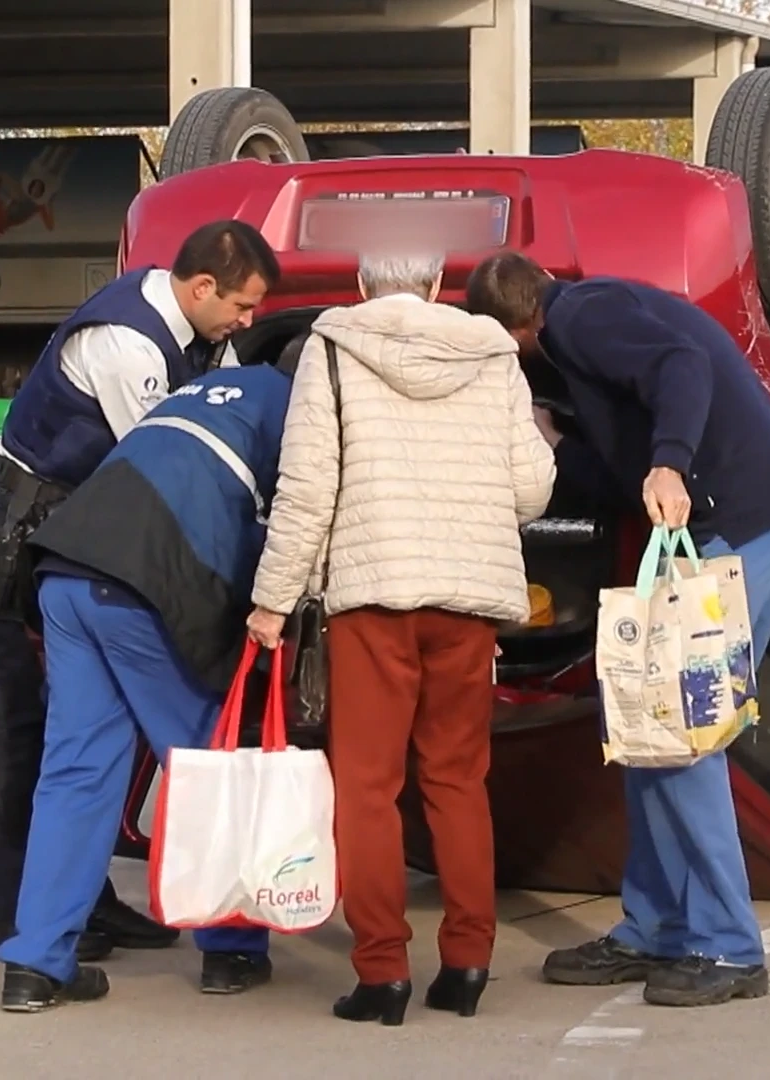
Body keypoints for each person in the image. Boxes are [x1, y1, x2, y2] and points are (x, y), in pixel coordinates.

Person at [464, 249, 770, 1008]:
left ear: (515, 330)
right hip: (737, 524)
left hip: (744, 523)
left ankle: (729, 948)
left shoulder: (584, 317)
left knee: (684, 731)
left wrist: (669, 464)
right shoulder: (583, 331)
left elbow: (681, 368)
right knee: (649, 729)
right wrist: (561, 444)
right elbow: (622, 461)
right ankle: (656, 927)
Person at [246, 250, 556, 1026]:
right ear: (431, 288)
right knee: (457, 780)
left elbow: (309, 486)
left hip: (373, 591)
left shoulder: (334, 345)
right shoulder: (491, 353)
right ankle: (469, 962)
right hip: (469, 596)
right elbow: (531, 488)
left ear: (362, 288)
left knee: (367, 789)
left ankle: (383, 973)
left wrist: (272, 600)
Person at [0, 219, 280, 964]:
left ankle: (64, 921)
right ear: (202, 286)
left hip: (88, 537)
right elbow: (166, 462)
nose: (246, 323)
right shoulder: (127, 341)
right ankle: (14, 915)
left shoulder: (207, 336)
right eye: (241, 306)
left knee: (84, 743)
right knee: (21, 723)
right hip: (34, 520)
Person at [0, 361, 295, 1012]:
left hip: (66, 570)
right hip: (140, 584)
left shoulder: (208, 392)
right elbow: (295, 521)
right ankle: (231, 946)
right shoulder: (294, 406)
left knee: (75, 772)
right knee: (204, 765)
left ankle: (37, 962)